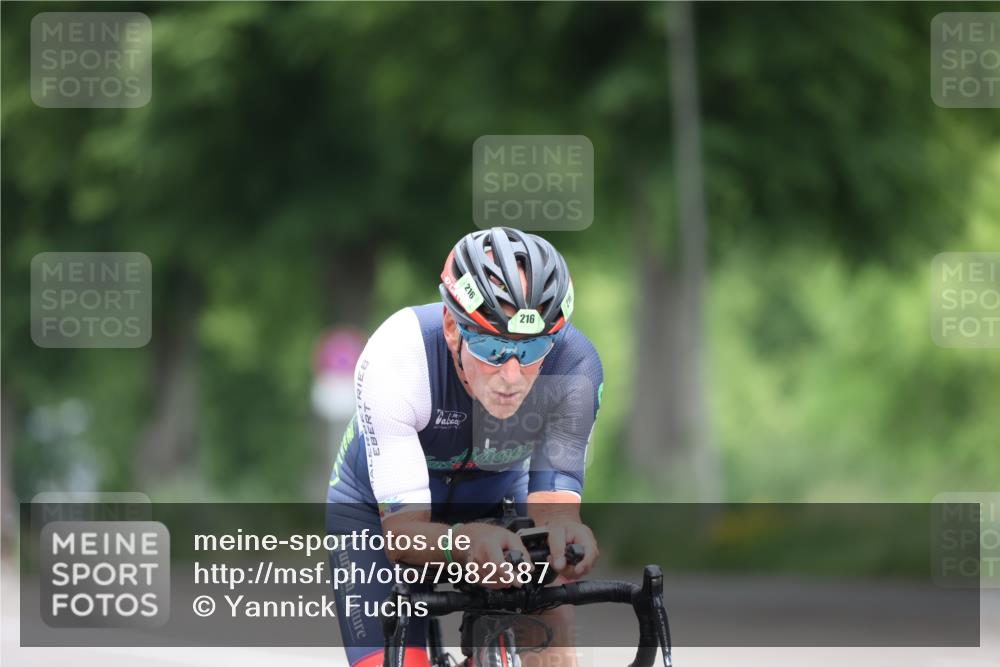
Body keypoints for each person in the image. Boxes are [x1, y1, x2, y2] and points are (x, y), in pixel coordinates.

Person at [326, 226, 604, 666]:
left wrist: (566, 537)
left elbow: (553, 511)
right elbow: (402, 536)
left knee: (550, 647)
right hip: (378, 517)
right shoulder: (398, 358)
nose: (512, 376)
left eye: (532, 350)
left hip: (496, 498)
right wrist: (462, 543)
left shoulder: (574, 367)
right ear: (454, 327)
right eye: (493, 348)